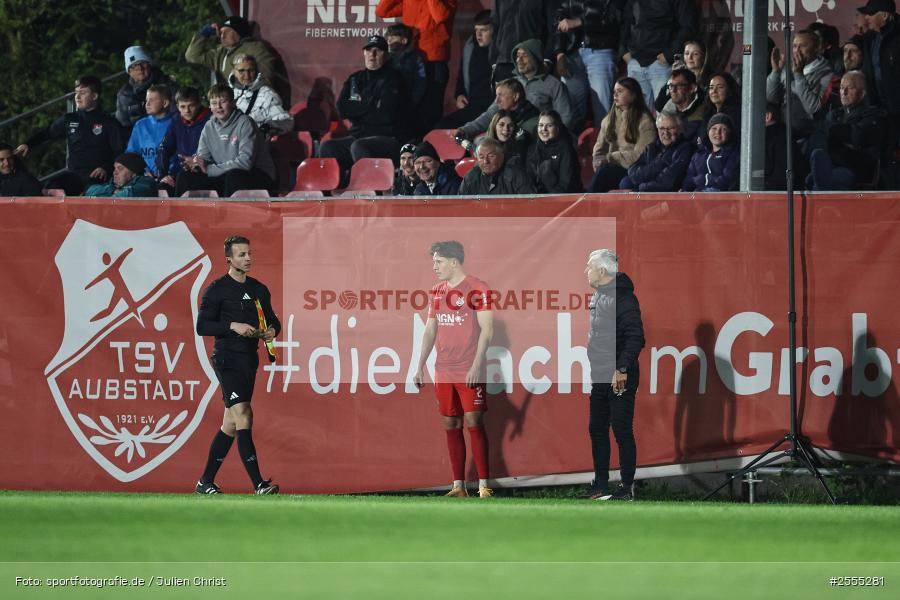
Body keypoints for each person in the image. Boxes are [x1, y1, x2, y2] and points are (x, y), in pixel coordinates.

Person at [195, 235, 281, 495]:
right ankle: (259, 485)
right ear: (229, 259)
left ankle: (204, 482)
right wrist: (232, 326)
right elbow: (202, 326)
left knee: (230, 424)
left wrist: (271, 331)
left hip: (249, 359)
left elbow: (274, 320)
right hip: (227, 359)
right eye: (242, 255)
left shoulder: (258, 289)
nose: (248, 258)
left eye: (249, 253)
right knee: (244, 413)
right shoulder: (217, 289)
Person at [413, 241, 494, 498]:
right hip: (444, 369)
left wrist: (476, 364)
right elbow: (430, 330)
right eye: (434, 261)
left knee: (474, 420)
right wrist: (419, 365)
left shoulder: (478, 288)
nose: (434, 266)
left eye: (438, 261)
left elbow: (487, 330)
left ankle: (483, 485)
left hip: (469, 367)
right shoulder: (436, 291)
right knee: (450, 422)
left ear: (454, 262)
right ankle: (458, 486)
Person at [580, 249, 644, 501]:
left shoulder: (624, 299)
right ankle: (601, 485)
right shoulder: (598, 295)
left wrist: (622, 368)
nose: (586, 271)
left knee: (621, 429)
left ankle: (626, 487)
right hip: (600, 374)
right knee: (597, 428)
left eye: (589, 266)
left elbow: (636, 337)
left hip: (619, 375)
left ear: (603, 271)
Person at [320, 35, 411, 187]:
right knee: (328, 147)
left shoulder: (393, 78)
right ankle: (338, 189)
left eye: (378, 51)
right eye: (368, 50)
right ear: (364, 53)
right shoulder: (355, 79)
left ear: (386, 54)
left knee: (359, 146)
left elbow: (386, 115)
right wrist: (370, 105)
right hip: (357, 136)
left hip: (388, 138)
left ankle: (368, 189)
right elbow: (342, 109)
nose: (372, 54)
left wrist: (357, 109)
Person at [16, 76, 124, 196]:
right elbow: (47, 133)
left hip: (98, 177)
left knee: (95, 193)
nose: (77, 97)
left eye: (83, 93)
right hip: (74, 176)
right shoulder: (69, 119)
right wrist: (28, 144)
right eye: (76, 93)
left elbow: (119, 152)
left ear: (94, 96)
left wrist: (106, 168)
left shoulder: (110, 122)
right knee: (51, 187)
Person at [176, 84, 276, 197]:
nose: (218, 106)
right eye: (214, 103)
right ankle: (181, 214)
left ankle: (228, 214)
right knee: (185, 177)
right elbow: (204, 158)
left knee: (234, 176)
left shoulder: (245, 123)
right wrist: (196, 163)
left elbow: (245, 163)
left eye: (223, 101)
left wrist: (209, 169)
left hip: (257, 175)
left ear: (233, 103)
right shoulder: (209, 126)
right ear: (210, 106)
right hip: (225, 175)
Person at [375, 0, 457, 132]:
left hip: (434, 61)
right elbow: (381, 11)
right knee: (409, 109)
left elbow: (440, 16)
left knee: (431, 111)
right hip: (410, 60)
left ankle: (428, 148)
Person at [805, 71, 887, 190]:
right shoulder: (834, 114)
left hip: (856, 170)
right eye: (842, 88)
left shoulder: (874, 115)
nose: (844, 92)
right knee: (817, 159)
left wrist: (832, 132)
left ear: (862, 93)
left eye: (850, 88)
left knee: (818, 179)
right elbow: (816, 138)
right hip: (832, 165)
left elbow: (858, 137)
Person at [185, 15, 289, 105]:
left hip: (254, 104)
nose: (222, 35)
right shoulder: (220, 53)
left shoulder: (255, 48)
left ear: (238, 33)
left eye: (227, 31)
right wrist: (203, 35)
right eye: (220, 32)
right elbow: (192, 56)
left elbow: (266, 76)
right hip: (229, 105)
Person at [555, 1, 627, 128]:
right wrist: (559, 54)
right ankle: (573, 145)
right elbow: (558, 21)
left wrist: (580, 21)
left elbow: (613, 17)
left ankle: (604, 145)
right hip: (572, 53)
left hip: (601, 50)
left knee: (602, 108)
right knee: (571, 109)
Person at [619, 0, 699, 110]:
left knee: (665, 113)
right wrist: (623, 50)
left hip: (662, 64)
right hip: (635, 62)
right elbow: (626, 21)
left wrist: (668, 54)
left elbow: (688, 26)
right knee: (635, 115)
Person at [767, 29, 837, 142]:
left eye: (803, 46)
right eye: (794, 46)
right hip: (784, 134)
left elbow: (813, 108)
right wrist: (775, 71)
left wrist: (798, 74)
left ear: (816, 48)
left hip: (807, 136)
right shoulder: (787, 67)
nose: (797, 51)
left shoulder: (827, 74)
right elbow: (770, 97)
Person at [588, 77, 656, 192]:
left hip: (634, 169)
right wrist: (599, 162)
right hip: (610, 167)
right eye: (614, 92)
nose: (615, 95)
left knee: (605, 173)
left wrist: (612, 157)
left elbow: (642, 156)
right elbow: (599, 150)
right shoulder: (608, 120)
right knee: (603, 171)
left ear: (633, 95)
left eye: (620, 91)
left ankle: (586, 205)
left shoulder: (645, 121)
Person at [438, 10, 497, 129]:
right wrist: (460, 95)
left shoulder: (501, 53)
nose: (478, 35)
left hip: (492, 110)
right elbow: (461, 76)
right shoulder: (470, 48)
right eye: (476, 30)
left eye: (484, 30)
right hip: (471, 107)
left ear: (494, 31)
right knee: (440, 128)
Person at [860, 0, 900, 158]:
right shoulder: (870, 38)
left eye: (871, 14)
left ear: (884, 15)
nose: (866, 17)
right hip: (880, 110)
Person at [619, 112, 693, 191]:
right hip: (648, 189)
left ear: (680, 129)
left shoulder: (685, 148)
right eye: (661, 128)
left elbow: (668, 182)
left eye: (671, 128)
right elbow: (632, 171)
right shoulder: (651, 147)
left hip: (667, 196)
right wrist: (659, 165)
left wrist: (641, 186)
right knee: (625, 182)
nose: (666, 133)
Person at [157, 87, 212, 192]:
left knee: (184, 180)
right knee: (162, 187)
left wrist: (197, 162)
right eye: (183, 106)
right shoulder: (176, 119)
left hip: (204, 172)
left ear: (199, 103)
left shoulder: (211, 118)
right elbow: (163, 148)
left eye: (191, 105)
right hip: (179, 172)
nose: (187, 111)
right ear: (177, 106)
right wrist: (163, 175)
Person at [511, 39, 575, 130]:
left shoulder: (554, 85)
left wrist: (552, 138)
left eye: (524, 55)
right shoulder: (512, 83)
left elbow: (565, 117)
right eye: (517, 56)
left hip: (541, 137)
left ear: (535, 57)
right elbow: (494, 111)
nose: (519, 60)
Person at [456, 78, 541, 141]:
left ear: (515, 97)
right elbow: (483, 120)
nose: (497, 101)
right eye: (496, 96)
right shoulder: (500, 110)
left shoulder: (533, 123)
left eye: (501, 95)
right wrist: (463, 131)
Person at [228, 54, 292, 136]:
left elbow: (286, 121)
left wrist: (267, 128)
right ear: (234, 71)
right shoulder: (226, 92)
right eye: (242, 71)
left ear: (256, 71)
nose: (247, 75)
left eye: (251, 70)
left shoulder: (266, 94)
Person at [116, 46, 178, 130]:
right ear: (129, 72)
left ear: (149, 65)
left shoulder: (167, 84)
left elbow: (177, 112)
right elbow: (122, 125)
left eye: (143, 63)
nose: (140, 68)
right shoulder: (124, 95)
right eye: (134, 66)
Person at [125, 84, 177, 178]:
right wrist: (143, 170)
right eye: (146, 100)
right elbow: (131, 153)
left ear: (165, 103)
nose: (147, 104)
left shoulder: (177, 123)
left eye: (152, 100)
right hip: (146, 177)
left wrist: (171, 174)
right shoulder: (140, 125)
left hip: (172, 177)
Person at [681, 112, 739, 192]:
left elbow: (726, 180)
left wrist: (704, 179)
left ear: (730, 133)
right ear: (708, 131)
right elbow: (688, 181)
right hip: (697, 198)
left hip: (721, 200)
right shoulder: (699, 155)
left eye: (723, 129)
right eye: (714, 128)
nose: (718, 132)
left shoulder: (733, 153)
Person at [526, 110, 581, 192]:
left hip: (563, 198)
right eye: (541, 125)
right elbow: (529, 179)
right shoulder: (533, 148)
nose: (544, 129)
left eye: (549, 125)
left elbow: (566, 184)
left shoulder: (566, 150)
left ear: (557, 128)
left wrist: (547, 199)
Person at [459, 137, 535, 195]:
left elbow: (531, 204)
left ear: (501, 155)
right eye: (481, 157)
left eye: (491, 156)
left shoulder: (516, 175)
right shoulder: (471, 178)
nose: (486, 161)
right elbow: (460, 206)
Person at [654, 39, 710, 112]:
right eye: (686, 53)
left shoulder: (710, 79)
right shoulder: (680, 77)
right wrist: (673, 78)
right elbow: (659, 105)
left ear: (703, 57)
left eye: (695, 54)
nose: (690, 58)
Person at [385, 23, 427, 110]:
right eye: (388, 37)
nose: (389, 40)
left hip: (407, 106)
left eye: (393, 37)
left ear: (404, 40)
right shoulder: (385, 57)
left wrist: (411, 103)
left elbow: (420, 83)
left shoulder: (415, 58)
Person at [660, 68, 706, 143]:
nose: (673, 91)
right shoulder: (668, 107)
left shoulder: (704, 110)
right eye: (671, 86)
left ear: (692, 88)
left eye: (678, 86)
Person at [83, 152, 158, 197]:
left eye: (120, 168)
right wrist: (114, 190)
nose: (115, 172)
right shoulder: (113, 184)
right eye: (114, 168)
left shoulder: (146, 183)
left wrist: (109, 193)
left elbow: (125, 195)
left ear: (133, 172)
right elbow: (89, 191)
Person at [703, 72, 741, 137]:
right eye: (711, 87)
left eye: (720, 87)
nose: (714, 91)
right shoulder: (709, 112)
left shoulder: (735, 114)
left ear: (730, 91)